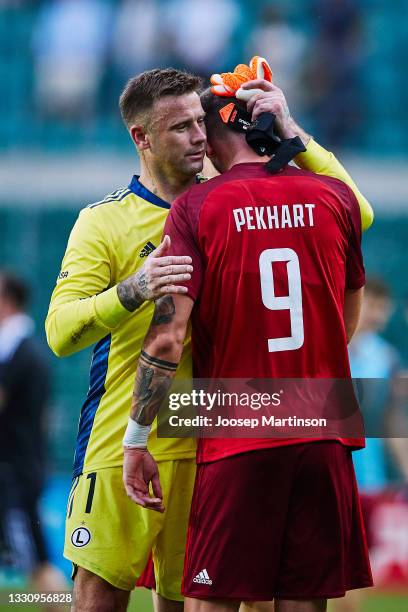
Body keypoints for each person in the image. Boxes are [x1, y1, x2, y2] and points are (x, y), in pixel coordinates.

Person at [46, 65, 373, 612]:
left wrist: (295, 133)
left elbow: (354, 213)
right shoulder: (102, 222)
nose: (198, 136)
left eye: (202, 122)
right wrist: (132, 289)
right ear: (141, 138)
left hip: (209, 435)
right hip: (123, 438)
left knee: (190, 600)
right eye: (180, 128)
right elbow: (59, 332)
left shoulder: (219, 203)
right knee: (99, 598)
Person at [0, 271, 67, 611]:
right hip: (16, 471)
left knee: (36, 565)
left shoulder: (21, 352)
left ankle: (62, 606)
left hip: (16, 474)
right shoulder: (19, 349)